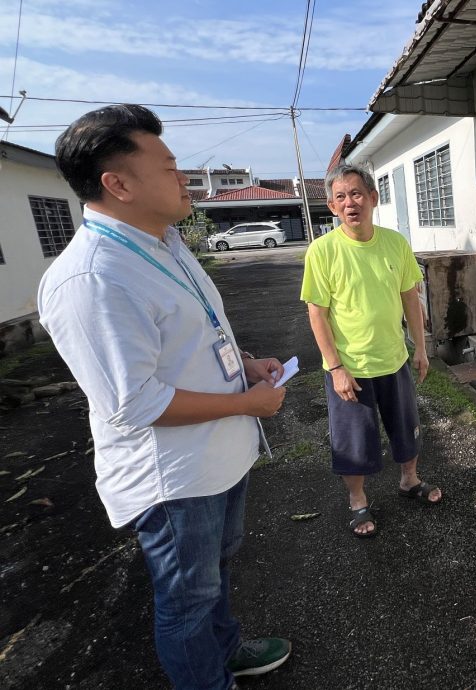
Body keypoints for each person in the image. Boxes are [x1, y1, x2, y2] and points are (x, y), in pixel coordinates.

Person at [37, 104, 291, 689]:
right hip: (173, 479)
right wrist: (245, 405)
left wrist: (247, 366)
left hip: (216, 457)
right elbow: (136, 403)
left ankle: (226, 653)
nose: (185, 177)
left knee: (216, 576)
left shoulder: (166, 242)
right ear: (118, 184)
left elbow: (192, 335)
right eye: (170, 166)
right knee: (185, 600)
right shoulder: (93, 277)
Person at [301, 164, 442, 538]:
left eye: (357, 193)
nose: (350, 203)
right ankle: (358, 501)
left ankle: (409, 481)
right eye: (341, 197)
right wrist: (335, 368)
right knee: (354, 442)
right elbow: (317, 312)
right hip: (350, 367)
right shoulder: (322, 251)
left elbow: (410, 297)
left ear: (373, 198)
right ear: (332, 207)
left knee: (406, 429)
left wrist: (420, 348)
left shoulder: (395, 243)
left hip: (393, 360)